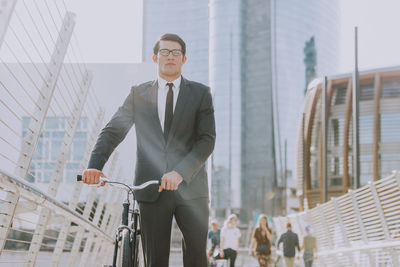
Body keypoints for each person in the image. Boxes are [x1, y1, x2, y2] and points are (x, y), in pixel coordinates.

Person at [81, 33, 216, 267]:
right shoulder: (138, 94)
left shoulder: (200, 93)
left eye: (176, 53)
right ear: (155, 58)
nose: (170, 57)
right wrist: (95, 165)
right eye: (165, 52)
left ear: (184, 59)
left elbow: (206, 140)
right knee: (155, 261)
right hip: (151, 189)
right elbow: (113, 130)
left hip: (192, 190)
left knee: (196, 257)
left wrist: (180, 172)